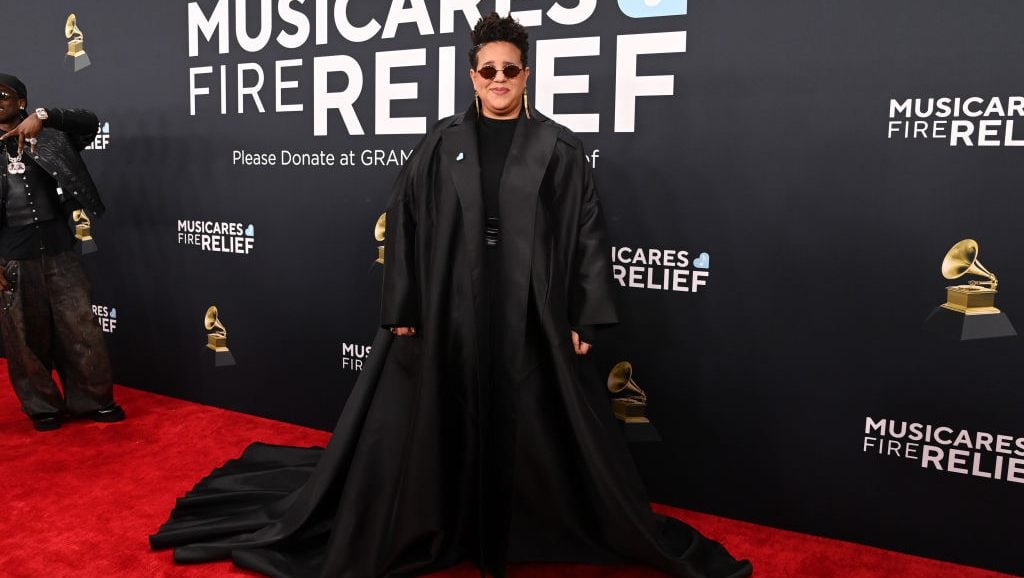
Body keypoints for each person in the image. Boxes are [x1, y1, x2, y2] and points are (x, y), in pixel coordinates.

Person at [150, 14, 751, 578]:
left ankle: (520, 522)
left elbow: (589, 233)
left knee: (536, 418)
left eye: (509, 69)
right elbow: (403, 223)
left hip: (530, 313)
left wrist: (585, 319)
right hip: (450, 305)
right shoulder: (441, 144)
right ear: (472, 75)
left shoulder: (560, 148)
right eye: (487, 70)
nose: (497, 80)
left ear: (526, 74)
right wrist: (403, 306)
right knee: (443, 411)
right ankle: (447, 515)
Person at [0, 73, 124, 431]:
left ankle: (94, 400)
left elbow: (90, 123)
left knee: (81, 328)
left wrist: (45, 116)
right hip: (13, 255)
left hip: (59, 249)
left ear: (21, 102)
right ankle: (43, 408)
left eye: (4, 94)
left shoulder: (52, 138)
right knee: (23, 338)